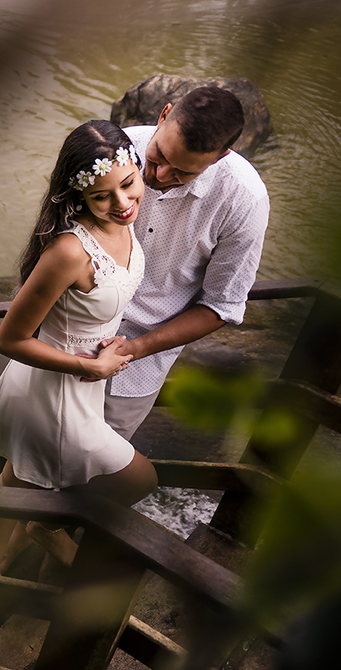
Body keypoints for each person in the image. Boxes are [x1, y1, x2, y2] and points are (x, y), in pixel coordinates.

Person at [0, 120, 158, 577]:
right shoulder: (70, 252)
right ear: (80, 196)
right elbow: (10, 339)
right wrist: (89, 366)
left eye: (128, 184)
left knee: (18, 478)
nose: (122, 204)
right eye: (101, 196)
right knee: (140, 478)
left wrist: (111, 342)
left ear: (137, 169)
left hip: (82, 387)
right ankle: (47, 527)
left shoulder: (124, 225)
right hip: (54, 391)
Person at [104, 86, 270, 439]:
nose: (161, 175)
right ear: (163, 116)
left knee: (92, 462)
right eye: (159, 156)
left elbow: (221, 305)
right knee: (26, 443)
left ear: (220, 156)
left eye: (183, 172)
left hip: (137, 367)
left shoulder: (244, 201)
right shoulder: (114, 149)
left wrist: (136, 349)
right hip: (64, 335)